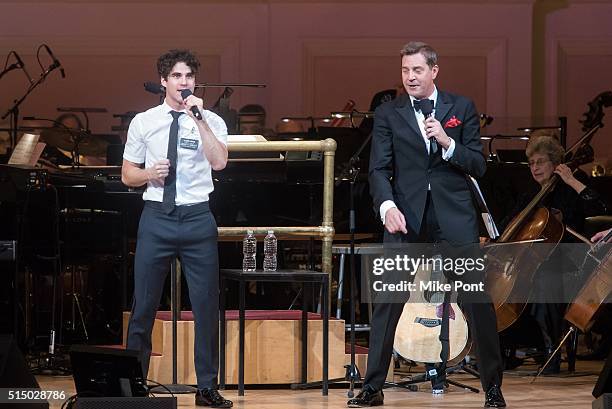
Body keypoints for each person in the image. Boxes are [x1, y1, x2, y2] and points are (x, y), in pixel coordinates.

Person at [349, 41, 505, 408]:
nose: (410, 77)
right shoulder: (389, 113)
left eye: (417, 70)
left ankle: (493, 387)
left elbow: (478, 165)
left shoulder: (461, 107)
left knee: (477, 300)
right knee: (388, 301)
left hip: (453, 217)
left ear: (434, 71)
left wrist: (448, 141)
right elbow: (379, 168)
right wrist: (386, 205)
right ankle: (373, 388)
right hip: (407, 217)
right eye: (405, 70)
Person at [121, 49, 232, 408]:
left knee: (205, 305)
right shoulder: (144, 121)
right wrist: (149, 174)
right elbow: (127, 175)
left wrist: (198, 118)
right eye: (177, 77)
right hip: (156, 218)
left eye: (189, 77)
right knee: (144, 306)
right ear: (165, 81)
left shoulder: (210, 119)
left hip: (198, 217)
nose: (184, 83)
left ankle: (206, 387)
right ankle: (132, 387)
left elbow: (219, 161)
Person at [499, 134, 608, 373]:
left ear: (556, 164)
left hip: (570, 259)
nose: (535, 168)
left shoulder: (571, 187)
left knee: (545, 277)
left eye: (540, 162)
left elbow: (600, 208)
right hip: (536, 260)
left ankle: (552, 349)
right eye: (531, 163)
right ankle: (506, 348)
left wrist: (571, 181)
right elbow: (508, 225)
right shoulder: (531, 196)